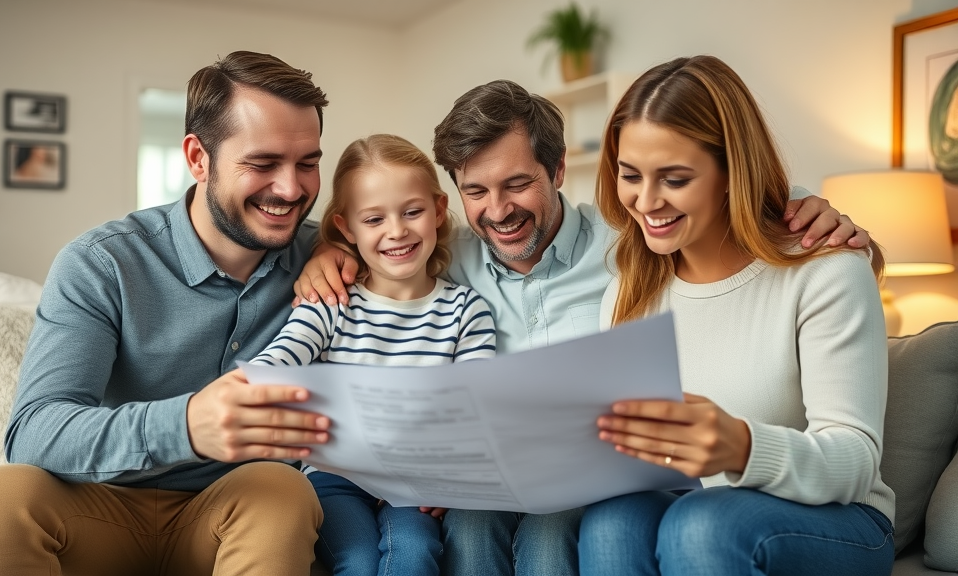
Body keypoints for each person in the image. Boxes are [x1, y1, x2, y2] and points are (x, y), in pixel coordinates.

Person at [293, 80, 869, 576]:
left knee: (556, 537)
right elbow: (384, 240)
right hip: (500, 479)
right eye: (476, 191)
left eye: (518, 183)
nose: (498, 210)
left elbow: (715, 217)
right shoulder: (447, 255)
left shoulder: (632, 250)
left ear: (559, 169)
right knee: (469, 529)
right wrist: (330, 253)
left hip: (594, 479)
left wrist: (794, 204)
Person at [0, 51, 333, 576]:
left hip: (236, 509)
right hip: (97, 506)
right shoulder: (102, 263)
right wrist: (186, 425)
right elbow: (35, 431)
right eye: (263, 164)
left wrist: (345, 249)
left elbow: (422, 248)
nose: (291, 189)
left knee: (283, 490)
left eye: (308, 163)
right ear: (198, 158)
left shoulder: (329, 255)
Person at [579, 55, 895, 576]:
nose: (646, 201)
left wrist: (743, 448)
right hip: (694, 506)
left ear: (732, 171)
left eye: (674, 178)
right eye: (630, 175)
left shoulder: (827, 270)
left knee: (702, 523)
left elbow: (855, 463)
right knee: (613, 521)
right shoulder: (626, 295)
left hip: (838, 519)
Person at [250, 134, 496, 576]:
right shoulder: (330, 302)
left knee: (414, 552)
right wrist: (248, 386)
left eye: (412, 212)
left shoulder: (466, 310)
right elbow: (280, 358)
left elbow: (476, 405)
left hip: (415, 480)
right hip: (335, 477)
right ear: (347, 228)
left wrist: (454, 471)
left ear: (439, 210)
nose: (396, 231)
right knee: (358, 561)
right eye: (374, 219)